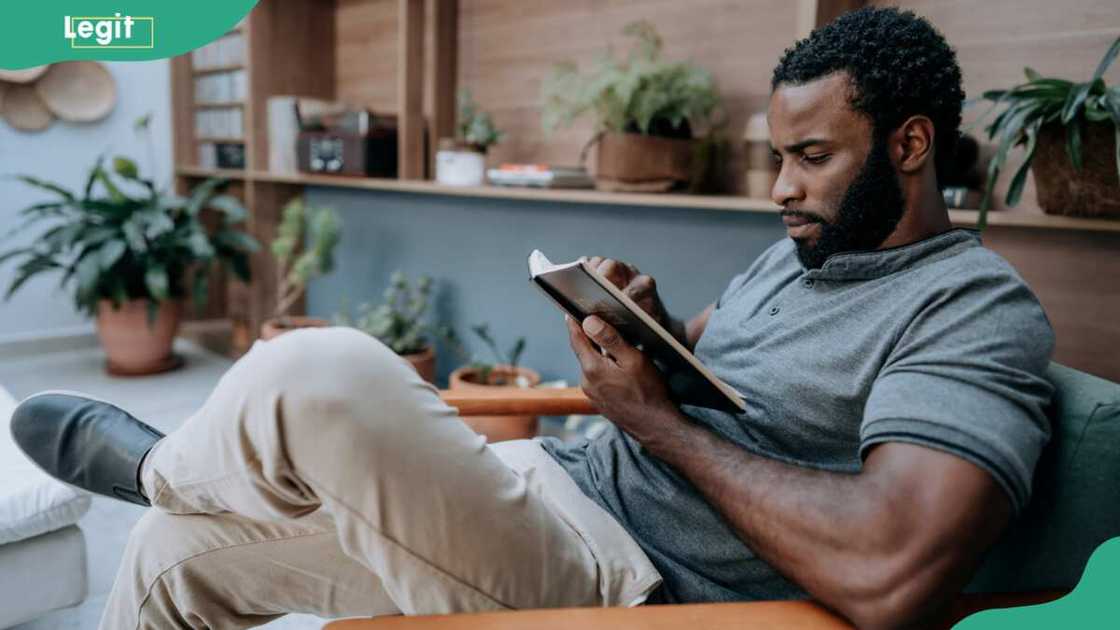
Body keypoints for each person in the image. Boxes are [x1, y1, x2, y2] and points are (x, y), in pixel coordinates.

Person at [12, 7, 1053, 629]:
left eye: (811, 157)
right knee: (165, 556)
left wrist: (655, 423)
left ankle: (163, 462)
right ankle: (179, 482)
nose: (782, 186)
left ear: (910, 145)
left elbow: (893, 568)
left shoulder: (968, 310)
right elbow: (738, 385)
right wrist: (650, 335)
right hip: (553, 483)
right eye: (779, 155)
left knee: (320, 370)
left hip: (621, 575)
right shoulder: (803, 252)